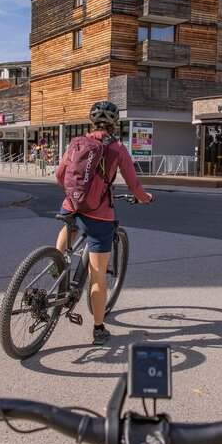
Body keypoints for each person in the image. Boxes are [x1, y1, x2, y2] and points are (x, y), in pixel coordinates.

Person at [55, 100, 153, 345]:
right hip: (99, 214)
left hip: (71, 205)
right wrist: (146, 198)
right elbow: (133, 184)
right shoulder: (118, 148)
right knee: (97, 276)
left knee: (70, 226)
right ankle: (98, 329)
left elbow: (60, 174)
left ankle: (55, 265)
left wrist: (74, 194)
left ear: (91, 121)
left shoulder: (76, 142)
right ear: (114, 123)